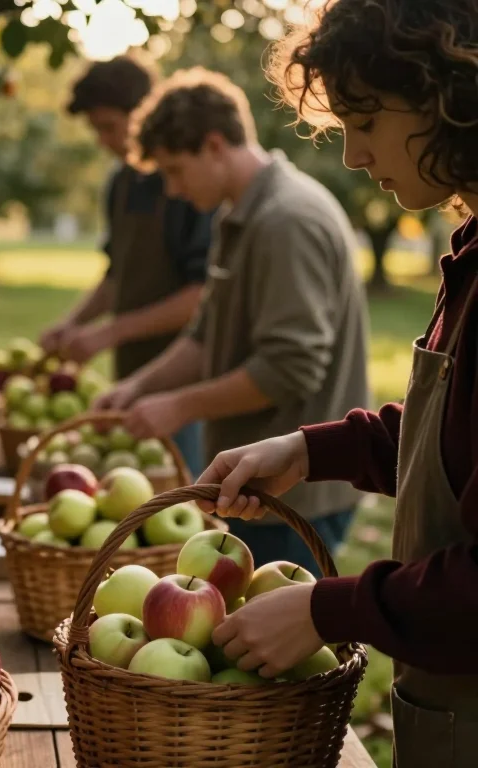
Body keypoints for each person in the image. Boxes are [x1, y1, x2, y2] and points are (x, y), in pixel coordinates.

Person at [196, 1, 478, 763]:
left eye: (366, 121)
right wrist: (310, 449)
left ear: (448, 99)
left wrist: (331, 609)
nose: (353, 156)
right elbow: (455, 438)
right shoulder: (473, 252)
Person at [96, 67, 370, 575]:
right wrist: (138, 387)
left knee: (279, 644)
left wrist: (178, 407)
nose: (173, 191)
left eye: (176, 170)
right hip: (252, 481)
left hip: (297, 494)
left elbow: (289, 368)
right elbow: (205, 335)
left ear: (215, 144)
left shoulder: (286, 221)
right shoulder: (236, 215)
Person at [39, 53, 214, 475]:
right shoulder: (121, 182)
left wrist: (108, 333)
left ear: (144, 114)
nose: (103, 141)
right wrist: (74, 323)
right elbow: (118, 274)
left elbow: (201, 297)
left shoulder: (190, 184)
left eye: (109, 127)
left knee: (177, 491)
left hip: (182, 379)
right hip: (131, 378)